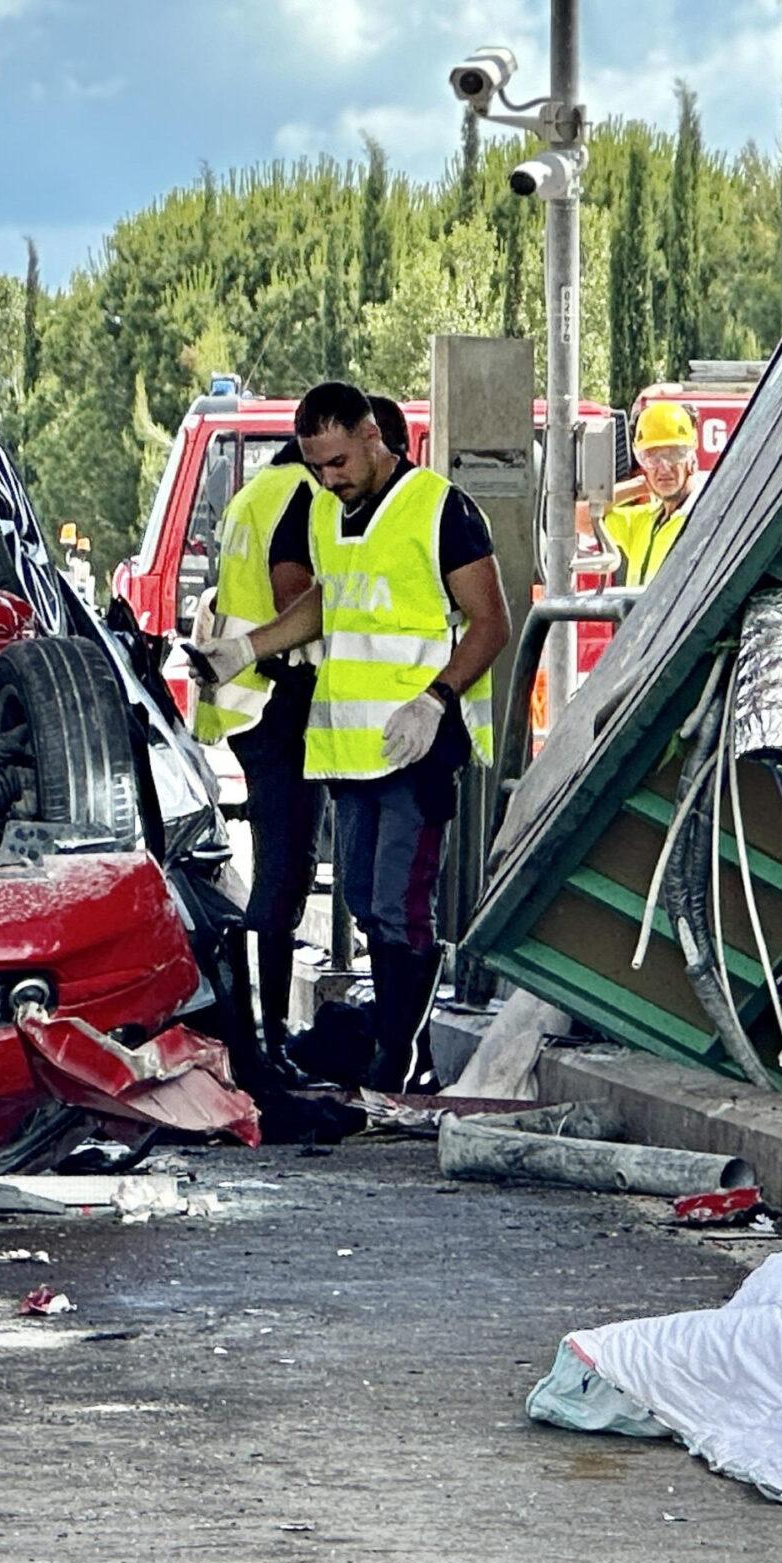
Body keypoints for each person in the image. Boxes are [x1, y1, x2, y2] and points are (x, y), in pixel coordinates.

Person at [190, 382, 509, 1093]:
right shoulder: (328, 516)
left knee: (400, 905)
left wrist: (436, 699)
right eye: (316, 465)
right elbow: (325, 605)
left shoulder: (440, 509)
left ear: (373, 436)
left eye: (336, 461)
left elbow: (491, 620)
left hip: (419, 746)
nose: (326, 478)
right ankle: (396, 1046)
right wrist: (245, 650)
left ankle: (395, 1060)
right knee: (365, 899)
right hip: (351, 749)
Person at [190, 437, 319, 1076]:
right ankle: (267, 1043)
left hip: (247, 702)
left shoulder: (251, 494)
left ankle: (262, 1036)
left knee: (276, 867)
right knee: (284, 874)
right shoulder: (302, 494)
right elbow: (295, 593)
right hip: (279, 697)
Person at [604, 396, 701, 588]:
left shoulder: (706, 518)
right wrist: (642, 484)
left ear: (691, 458)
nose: (664, 467)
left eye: (674, 454)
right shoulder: (643, 523)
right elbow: (579, 517)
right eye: (651, 457)